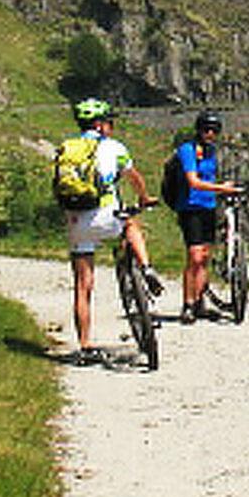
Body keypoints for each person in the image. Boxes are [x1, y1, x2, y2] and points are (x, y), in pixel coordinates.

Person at [63, 98, 158, 364]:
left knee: (83, 286)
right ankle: (146, 267)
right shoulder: (113, 148)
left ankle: (84, 345)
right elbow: (134, 177)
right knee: (130, 225)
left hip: (78, 223)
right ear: (100, 125)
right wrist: (144, 198)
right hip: (108, 217)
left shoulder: (68, 148)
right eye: (109, 122)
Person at [175, 109, 242, 322]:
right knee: (194, 256)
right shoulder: (188, 150)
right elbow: (193, 181)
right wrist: (222, 188)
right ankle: (187, 304)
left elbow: (209, 178)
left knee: (204, 256)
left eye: (214, 130)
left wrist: (221, 190)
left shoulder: (211, 151)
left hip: (208, 207)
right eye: (206, 129)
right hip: (190, 207)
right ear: (198, 129)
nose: (210, 133)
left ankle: (200, 303)